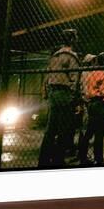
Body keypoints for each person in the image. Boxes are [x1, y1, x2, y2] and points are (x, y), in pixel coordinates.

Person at [38, 29, 81, 168]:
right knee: (64, 129)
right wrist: (74, 99)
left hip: (53, 93)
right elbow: (75, 79)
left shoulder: (55, 56)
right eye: (75, 37)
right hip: (64, 93)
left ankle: (43, 159)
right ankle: (58, 159)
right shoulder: (71, 56)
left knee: (50, 129)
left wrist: (47, 93)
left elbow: (48, 76)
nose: (76, 39)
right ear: (72, 39)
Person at [78, 52, 104, 166]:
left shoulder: (91, 74)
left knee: (89, 131)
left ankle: (82, 157)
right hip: (100, 104)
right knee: (99, 133)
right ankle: (99, 158)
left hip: (91, 104)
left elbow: (87, 90)